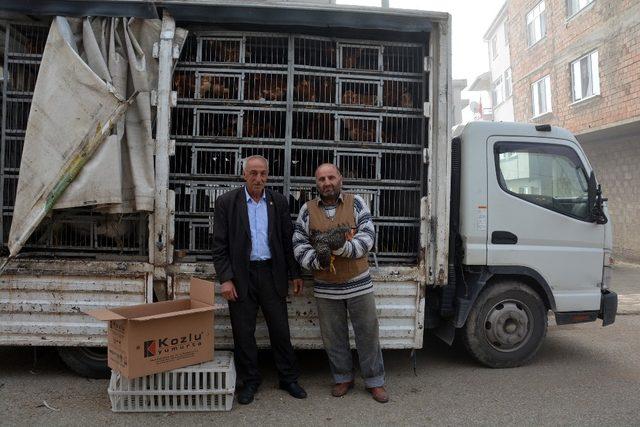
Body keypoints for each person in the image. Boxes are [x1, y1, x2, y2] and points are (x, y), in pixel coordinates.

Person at [212, 155, 306, 405]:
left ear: (268, 175)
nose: (258, 178)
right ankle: (250, 381)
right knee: (243, 333)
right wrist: (226, 279)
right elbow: (219, 246)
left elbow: (288, 241)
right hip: (241, 276)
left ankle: (288, 378)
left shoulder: (278, 201)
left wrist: (295, 273)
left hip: (271, 273)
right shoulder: (226, 202)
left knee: (280, 330)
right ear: (244, 175)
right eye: (253, 173)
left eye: (263, 173)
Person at [292, 163, 388, 403]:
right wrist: (317, 260)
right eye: (322, 179)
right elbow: (298, 243)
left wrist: (342, 248)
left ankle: (375, 381)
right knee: (333, 337)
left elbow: (368, 237)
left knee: (367, 333)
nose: (327, 182)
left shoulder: (357, 203)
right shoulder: (307, 209)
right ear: (317, 183)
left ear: (340, 179)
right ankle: (343, 377)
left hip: (358, 282)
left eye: (331, 177)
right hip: (325, 286)